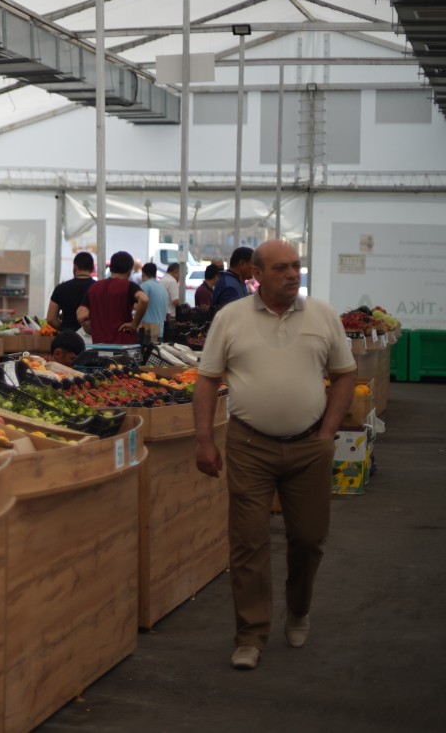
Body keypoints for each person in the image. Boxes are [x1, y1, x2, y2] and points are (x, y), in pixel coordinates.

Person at [193, 240, 356, 672]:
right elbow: (207, 381)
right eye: (281, 267)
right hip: (249, 445)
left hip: (309, 446)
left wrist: (327, 432)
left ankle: (299, 608)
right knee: (248, 540)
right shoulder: (230, 318)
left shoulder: (322, 316)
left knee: (308, 537)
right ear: (257, 275)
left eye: (296, 266)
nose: (291, 274)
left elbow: (344, 374)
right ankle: (250, 635)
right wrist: (204, 440)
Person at [76, 251, 148, 345]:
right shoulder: (128, 286)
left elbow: (81, 315)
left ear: (110, 268)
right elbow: (144, 299)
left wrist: (91, 329)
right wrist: (134, 324)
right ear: (129, 271)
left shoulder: (94, 287)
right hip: (123, 344)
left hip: (99, 345)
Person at [46, 252, 97, 333]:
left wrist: (63, 328)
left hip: (68, 337)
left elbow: (50, 319)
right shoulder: (98, 288)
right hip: (91, 337)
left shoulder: (61, 288)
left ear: (75, 267)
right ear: (92, 268)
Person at [212, 247, 256, 314]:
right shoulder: (229, 287)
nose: (255, 270)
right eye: (253, 265)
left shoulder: (237, 281)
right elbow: (231, 318)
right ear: (242, 264)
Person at [138, 263, 170, 342]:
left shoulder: (145, 286)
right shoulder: (162, 288)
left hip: (148, 330)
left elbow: (139, 304)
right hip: (160, 331)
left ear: (143, 274)